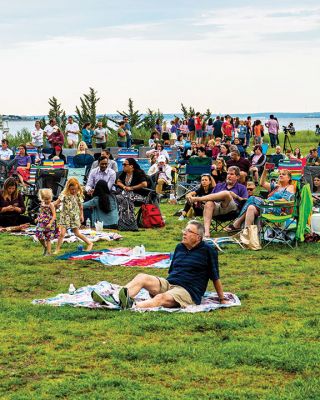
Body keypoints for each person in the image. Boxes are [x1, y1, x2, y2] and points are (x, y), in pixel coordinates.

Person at [91, 220, 229, 309]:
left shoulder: (208, 250)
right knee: (141, 277)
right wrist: (162, 286)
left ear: (198, 237)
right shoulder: (179, 247)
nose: (184, 233)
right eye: (184, 230)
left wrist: (222, 299)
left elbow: (215, 277)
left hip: (188, 292)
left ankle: (133, 306)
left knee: (160, 298)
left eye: (188, 231)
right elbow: (172, 272)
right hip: (170, 284)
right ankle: (114, 299)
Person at [228, 167, 295, 231]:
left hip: (276, 207)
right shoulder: (277, 187)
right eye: (280, 174)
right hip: (267, 206)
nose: (280, 175)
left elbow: (285, 200)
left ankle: (237, 223)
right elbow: (262, 183)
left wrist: (270, 202)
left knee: (252, 198)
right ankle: (247, 233)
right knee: (251, 207)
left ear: (289, 178)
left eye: (283, 174)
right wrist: (265, 170)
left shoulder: (290, 187)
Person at [189, 166, 248, 238]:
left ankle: (197, 198)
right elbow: (211, 197)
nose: (229, 176)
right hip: (217, 207)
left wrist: (235, 196)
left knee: (226, 193)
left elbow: (245, 201)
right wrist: (202, 203)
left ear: (238, 177)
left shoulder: (242, 188)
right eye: (228, 174)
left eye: (232, 174)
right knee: (209, 203)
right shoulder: (219, 185)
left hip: (232, 209)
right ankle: (206, 233)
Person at [54, 178, 93, 253]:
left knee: (77, 233)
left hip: (75, 216)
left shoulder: (78, 194)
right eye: (72, 189)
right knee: (62, 233)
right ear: (68, 188)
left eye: (75, 189)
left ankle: (89, 243)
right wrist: (48, 205)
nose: (74, 191)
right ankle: (57, 249)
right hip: (65, 216)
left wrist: (82, 215)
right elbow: (56, 202)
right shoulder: (64, 194)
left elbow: (80, 206)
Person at [35, 188, 59, 256]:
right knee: (39, 236)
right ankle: (45, 247)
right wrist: (38, 218)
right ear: (42, 198)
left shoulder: (51, 205)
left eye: (49, 198)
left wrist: (50, 223)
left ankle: (48, 252)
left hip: (49, 223)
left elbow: (54, 215)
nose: (47, 200)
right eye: (45, 199)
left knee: (48, 238)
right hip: (42, 222)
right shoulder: (42, 203)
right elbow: (41, 212)